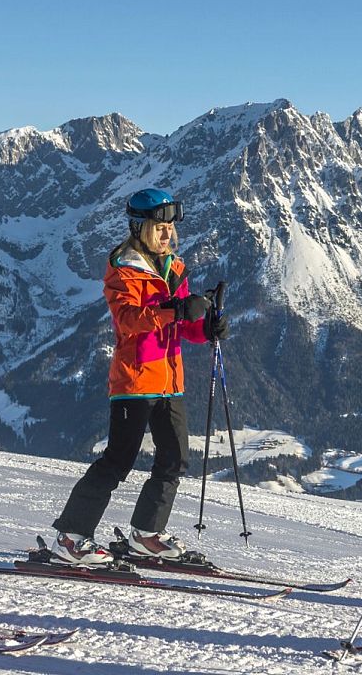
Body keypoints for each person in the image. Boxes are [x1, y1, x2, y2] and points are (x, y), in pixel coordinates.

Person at [48, 188, 226, 565]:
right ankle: (70, 538)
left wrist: (205, 327)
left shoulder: (174, 267)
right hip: (135, 381)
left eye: (170, 227)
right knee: (118, 460)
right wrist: (175, 310)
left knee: (175, 459)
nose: (167, 234)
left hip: (170, 381)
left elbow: (182, 328)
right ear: (140, 227)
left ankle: (146, 535)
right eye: (159, 227)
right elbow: (127, 321)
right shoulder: (123, 268)